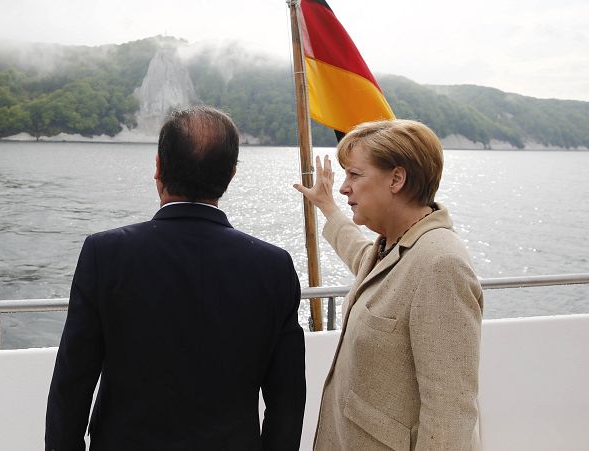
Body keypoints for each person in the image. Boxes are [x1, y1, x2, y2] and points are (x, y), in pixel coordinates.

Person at [46, 106, 306, 451]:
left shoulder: (106, 254)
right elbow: (287, 401)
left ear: (158, 167)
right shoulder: (274, 266)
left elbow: (72, 384)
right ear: (230, 175)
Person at [294, 119, 483, 450]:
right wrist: (327, 208)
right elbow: (363, 257)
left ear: (397, 178)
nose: (343, 187)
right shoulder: (392, 245)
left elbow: (450, 413)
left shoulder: (441, 264)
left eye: (355, 174)